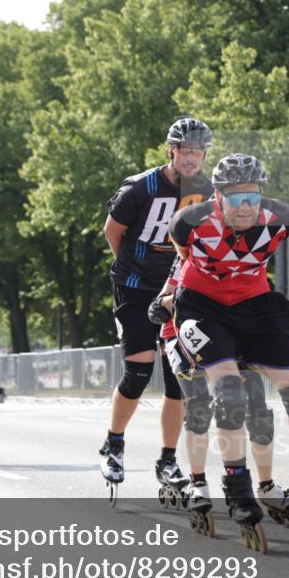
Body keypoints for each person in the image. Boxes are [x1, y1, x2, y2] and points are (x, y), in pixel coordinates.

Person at [169, 153, 289, 541]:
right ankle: (238, 488)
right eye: (236, 198)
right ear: (217, 197)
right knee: (229, 395)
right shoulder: (189, 222)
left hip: (257, 305)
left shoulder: (283, 219)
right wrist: (167, 298)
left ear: (262, 196)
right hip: (204, 307)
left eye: (252, 197)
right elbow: (183, 260)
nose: (245, 207)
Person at [149, 258, 289, 533]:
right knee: (200, 407)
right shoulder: (191, 253)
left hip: (231, 333)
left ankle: (266, 486)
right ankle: (198, 484)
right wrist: (164, 305)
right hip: (182, 333)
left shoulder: (247, 252)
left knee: (258, 410)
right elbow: (161, 301)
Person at [99, 117, 214, 490]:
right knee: (138, 372)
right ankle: (114, 444)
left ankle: (167, 461)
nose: (192, 159)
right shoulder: (141, 187)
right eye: (186, 151)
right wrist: (134, 266)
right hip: (133, 286)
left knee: (179, 379)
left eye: (198, 152)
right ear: (172, 151)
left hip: (177, 290)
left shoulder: (207, 190)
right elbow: (112, 232)